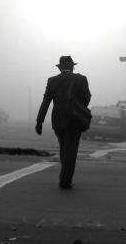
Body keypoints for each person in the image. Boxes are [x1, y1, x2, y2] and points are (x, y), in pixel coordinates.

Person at [35, 55, 91, 189]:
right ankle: (65, 180)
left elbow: (46, 102)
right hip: (75, 120)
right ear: (72, 67)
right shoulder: (81, 79)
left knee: (63, 149)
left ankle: (64, 176)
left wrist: (39, 121)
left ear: (60, 68)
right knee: (71, 151)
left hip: (58, 121)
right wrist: (77, 106)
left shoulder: (52, 81)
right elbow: (87, 98)